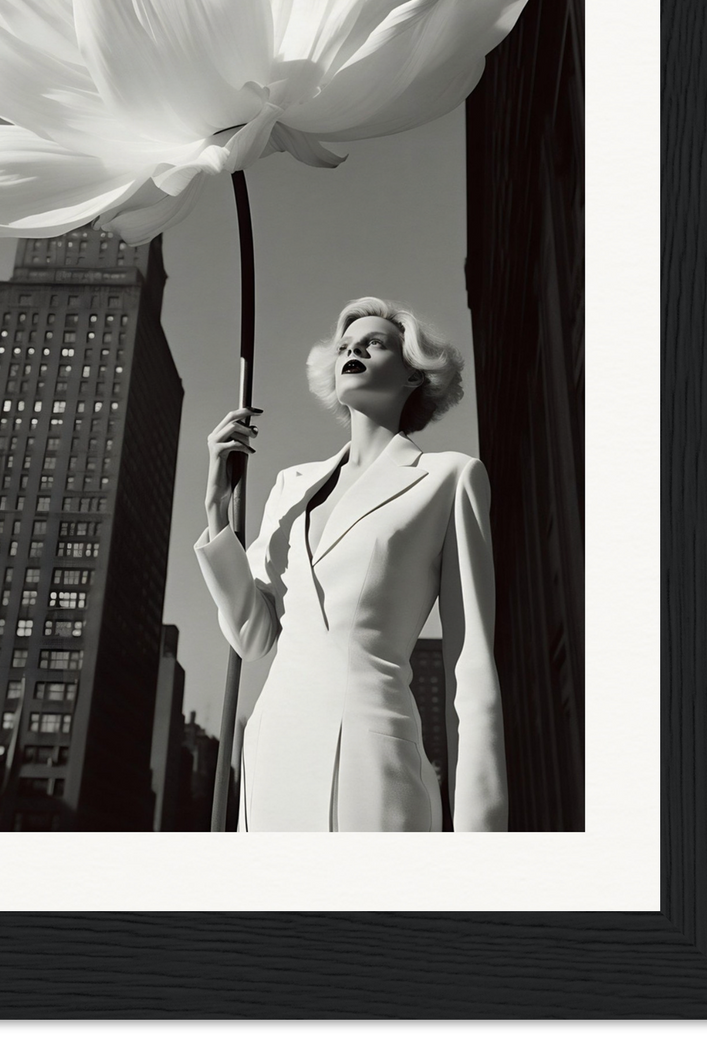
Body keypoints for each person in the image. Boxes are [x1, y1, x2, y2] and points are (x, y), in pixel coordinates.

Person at [195, 297, 507, 832]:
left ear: (413, 374)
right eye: (344, 346)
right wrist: (217, 513)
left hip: (373, 764)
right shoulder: (291, 486)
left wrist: (481, 841)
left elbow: (471, 669)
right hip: (271, 759)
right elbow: (254, 638)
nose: (353, 350)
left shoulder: (450, 478)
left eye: (374, 343)